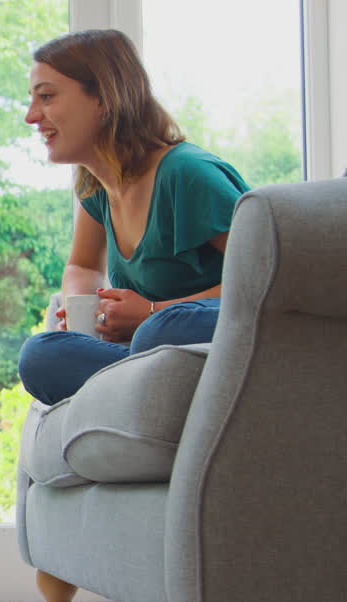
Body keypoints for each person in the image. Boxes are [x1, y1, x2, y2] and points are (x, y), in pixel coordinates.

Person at [16, 29, 250, 405]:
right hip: (156, 350)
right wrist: (82, 316)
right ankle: (140, 377)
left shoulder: (188, 174)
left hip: (204, 335)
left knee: (161, 331)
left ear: (105, 99)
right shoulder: (96, 185)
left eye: (46, 96)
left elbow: (270, 281)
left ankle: (135, 374)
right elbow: (82, 266)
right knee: (42, 354)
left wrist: (152, 312)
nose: (31, 116)